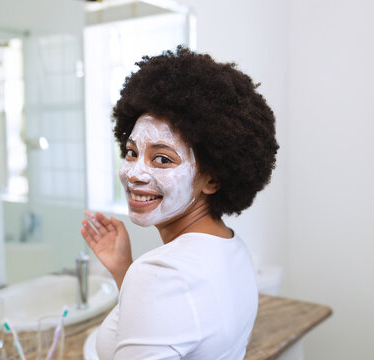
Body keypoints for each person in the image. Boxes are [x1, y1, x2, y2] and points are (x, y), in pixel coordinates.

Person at [80, 46, 278, 360]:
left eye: (161, 159)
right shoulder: (232, 248)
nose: (135, 173)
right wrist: (124, 272)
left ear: (211, 179)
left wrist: (139, 277)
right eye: (132, 152)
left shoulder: (162, 274)